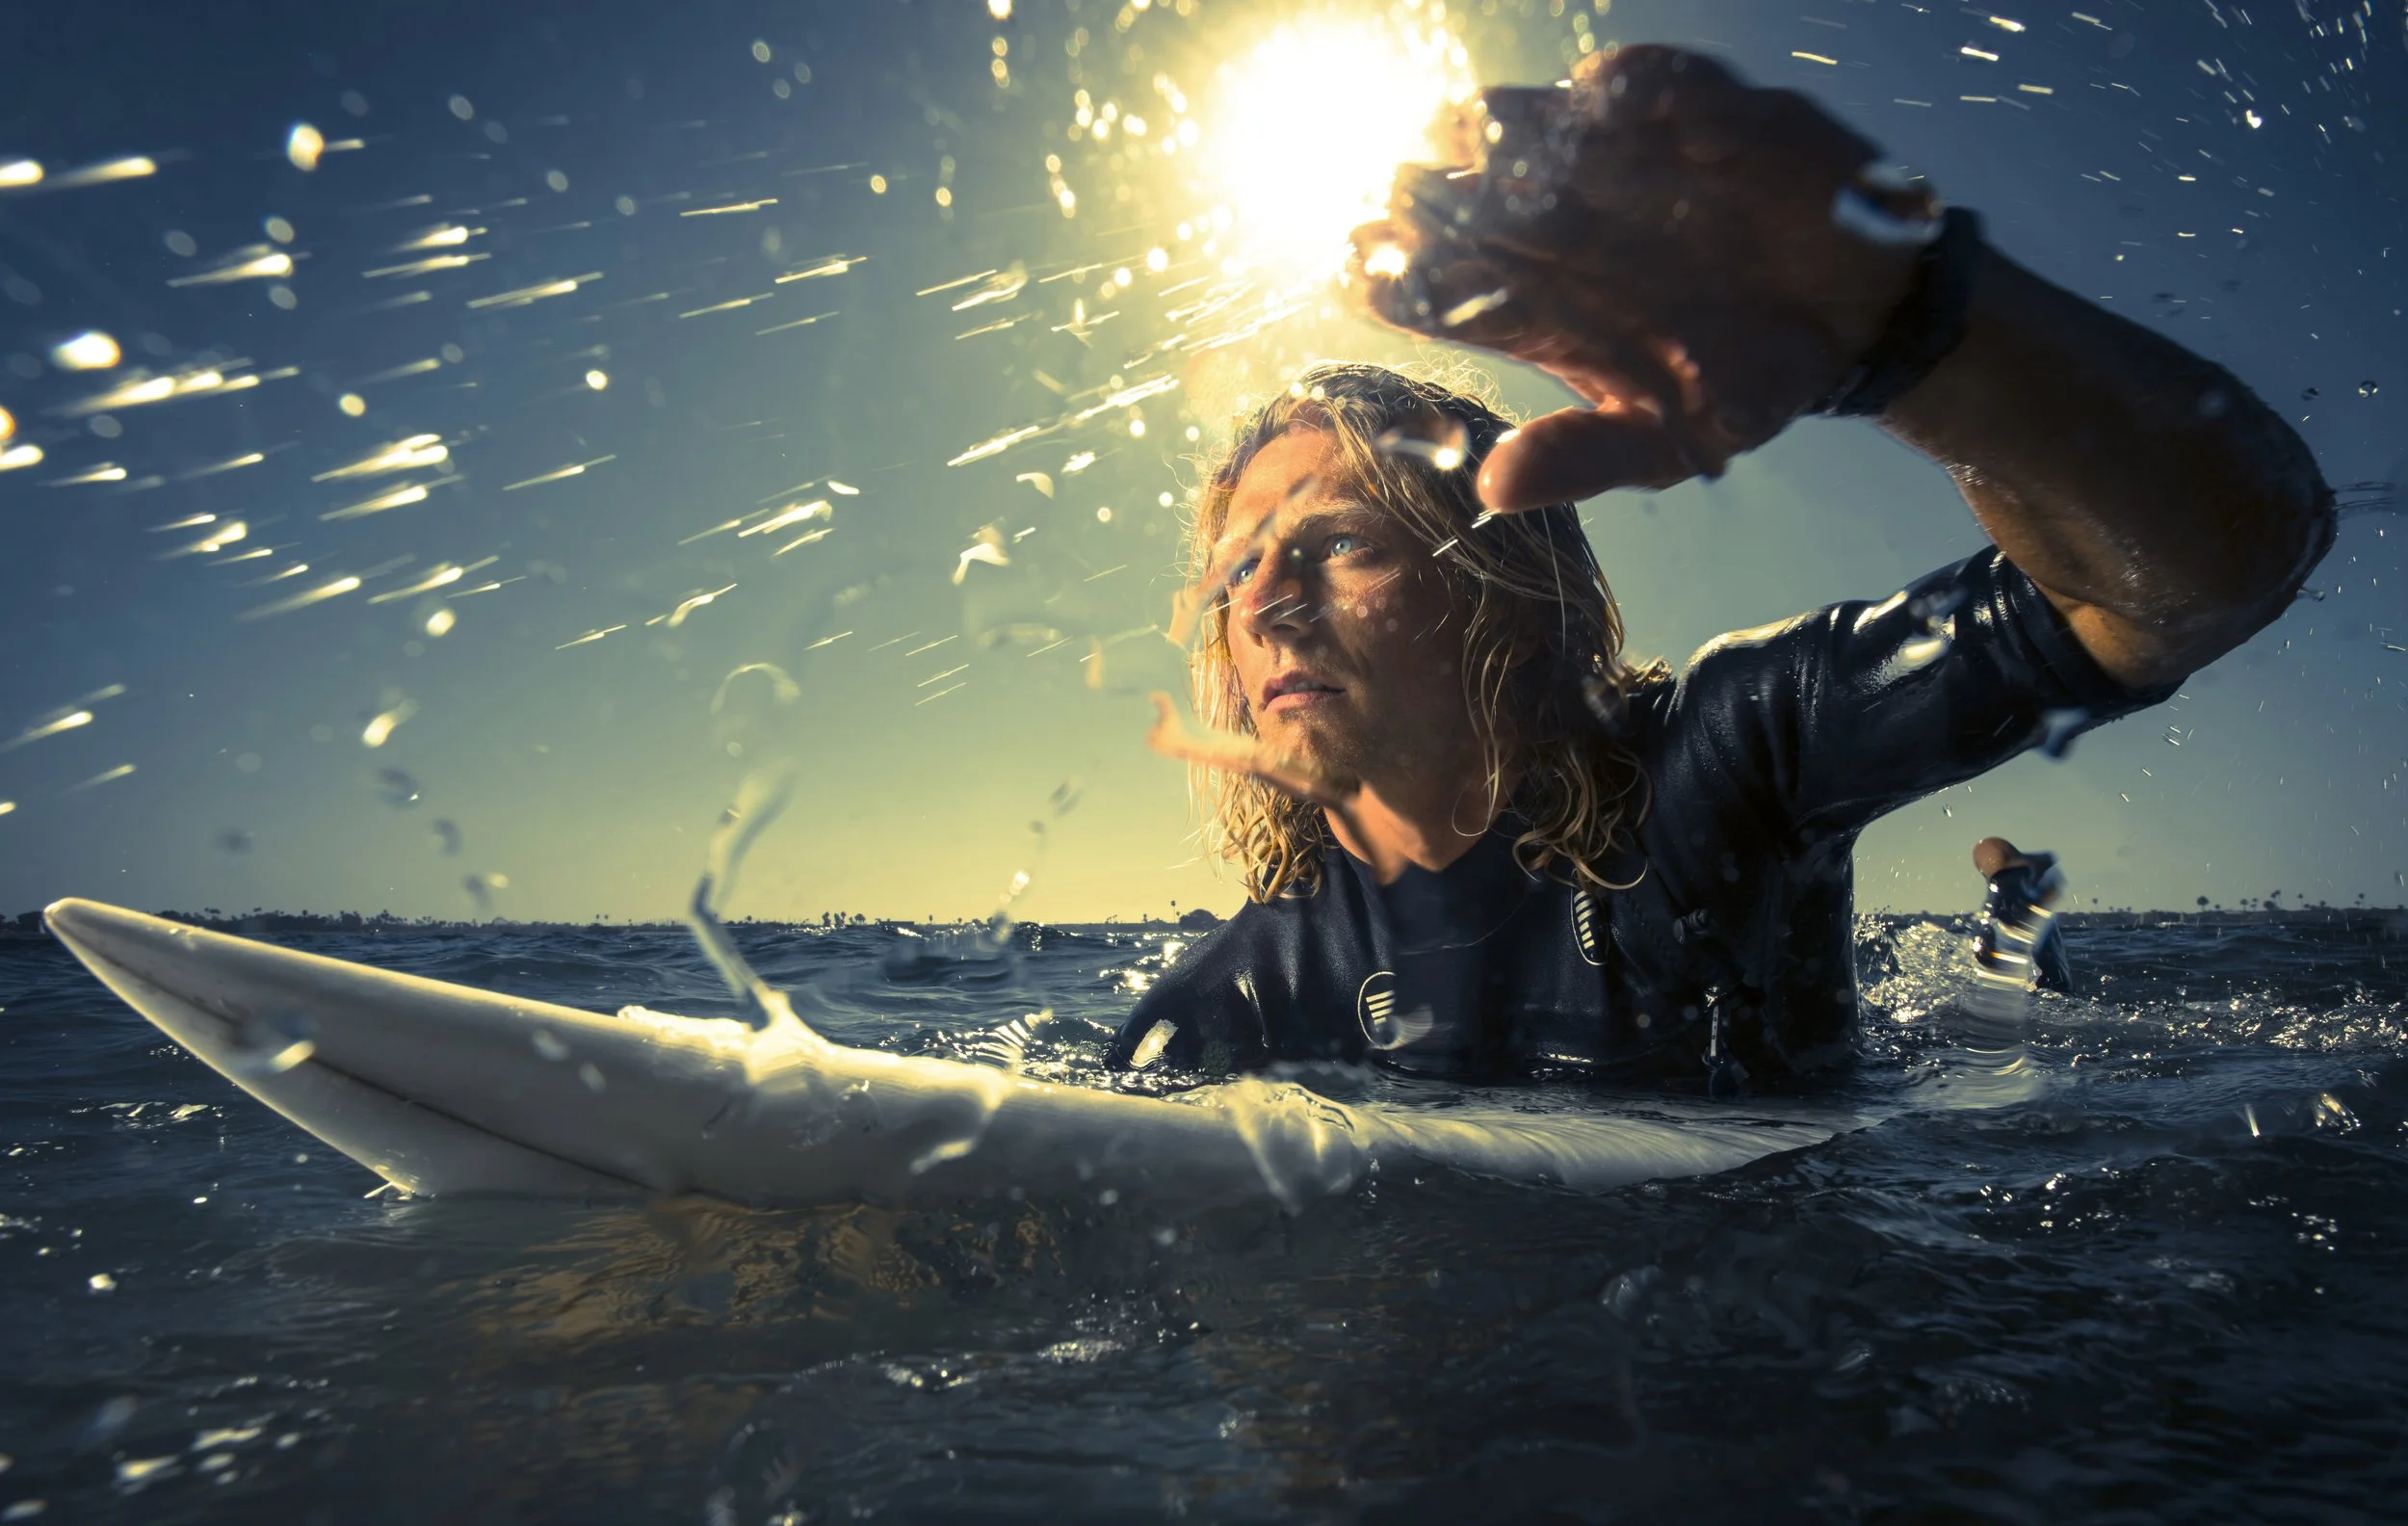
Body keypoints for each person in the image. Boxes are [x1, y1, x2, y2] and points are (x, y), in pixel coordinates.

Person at [1109, 46, 2330, 1091]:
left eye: (1340, 545)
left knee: (1983, 1043)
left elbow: (2195, 576)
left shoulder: (1721, 761)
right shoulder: (1241, 995)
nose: (1264, 603)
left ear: (1508, 590)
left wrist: (1907, 333)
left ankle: (2019, 923)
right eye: (1236, 572)